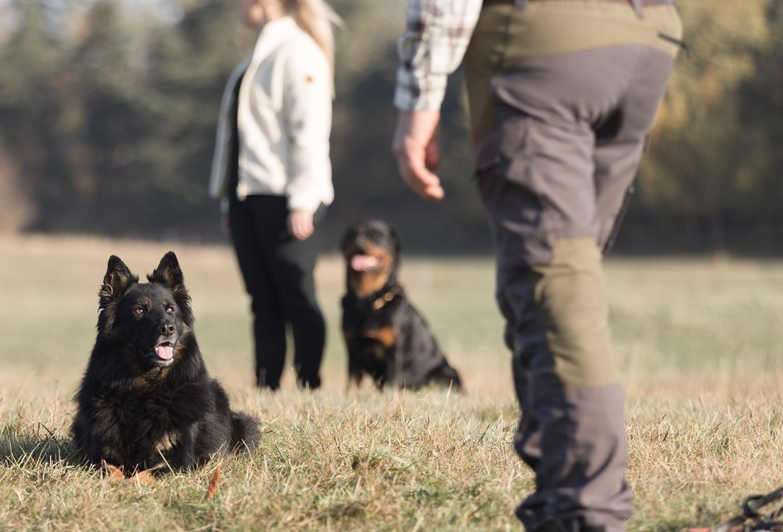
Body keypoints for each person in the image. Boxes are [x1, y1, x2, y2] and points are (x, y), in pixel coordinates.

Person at [392, 0, 682, 529]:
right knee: (565, 283)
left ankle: (584, 510)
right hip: (649, 38)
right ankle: (558, 495)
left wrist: (420, 102)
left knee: (556, 294)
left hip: (546, 43)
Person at [208, 0, 341, 391]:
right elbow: (236, 140)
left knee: (298, 296)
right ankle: (266, 388)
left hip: (286, 198)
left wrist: (303, 198)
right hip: (246, 198)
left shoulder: (298, 52)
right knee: (262, 300)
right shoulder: (253, 59)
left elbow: (309, 132)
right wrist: (227, 200)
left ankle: (308, 386)